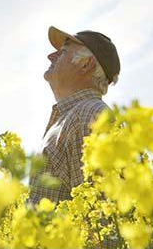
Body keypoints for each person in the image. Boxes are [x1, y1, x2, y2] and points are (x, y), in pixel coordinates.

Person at [28, 26, 120, 206]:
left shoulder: (89, 115)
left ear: (85, 64)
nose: (51, 56)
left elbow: (98, 213)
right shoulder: (73, 116)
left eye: (62, 52)